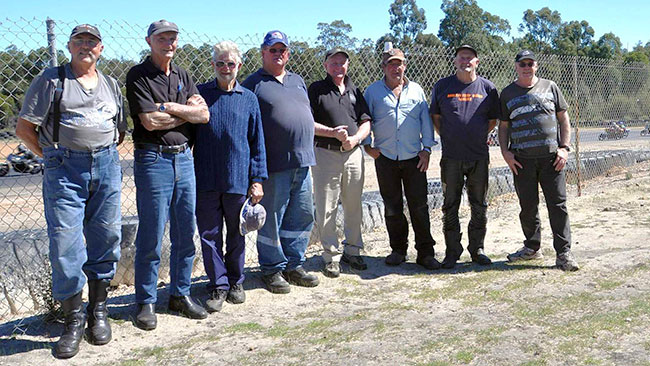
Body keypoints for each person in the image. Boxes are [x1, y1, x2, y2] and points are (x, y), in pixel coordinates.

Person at [16, 24, 126, 358]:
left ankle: (99, 311)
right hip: (65, 169)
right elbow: (24, 128)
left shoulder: (110, 84)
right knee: (66, 245)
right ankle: (73, 319)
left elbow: (119, 130)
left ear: (100, 48)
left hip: (106, 166)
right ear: (69, 46)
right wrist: (53, 156)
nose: (85, 47)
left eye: (91, 42)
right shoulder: (52, 80)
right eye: (79, 41)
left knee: (107, 237)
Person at [126, 19, 209, 330]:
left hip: (184, 159)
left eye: (173, 37)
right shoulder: (138, 75)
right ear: (150, 41)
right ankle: (146, 301)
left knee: (185, 232)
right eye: (162, 38)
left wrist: (170, 107)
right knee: (151, 235)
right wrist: (184, 113)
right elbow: (149, 122)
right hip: (153, 160)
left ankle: (180, 294)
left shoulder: (183, 75)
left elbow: (203, 114)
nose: (169, 43)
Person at [242, 30, 319, 293]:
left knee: (302, 214)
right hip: (274, 165)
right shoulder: (254, 83)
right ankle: (272, 269)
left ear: (288, 54)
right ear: (263, 53)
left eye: (282, 50)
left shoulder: (298, 81)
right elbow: (248, 127)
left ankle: (294, 264)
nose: (278, 54)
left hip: (303, 161)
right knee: (272, 218)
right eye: (272, 50)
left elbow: (304, 116)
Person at [194, 41, 267, 312]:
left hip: (238, 179)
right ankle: (218, 284)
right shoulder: (201, 95)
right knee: (209, 234)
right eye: (220, 63)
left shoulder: (248, 98)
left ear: (239, 66)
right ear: (213, 65)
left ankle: (236, 281)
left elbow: (257, 142)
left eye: (231, 64)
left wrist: (257, 179)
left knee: (237, 233)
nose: (226, 68)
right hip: (206, 178)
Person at [498, 50, 579, 272]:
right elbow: (503, 126)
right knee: (527, 206)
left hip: (552, 159)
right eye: (522, 63)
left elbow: (563, 118)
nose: (526, 67)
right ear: (516, 66)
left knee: (558, 205)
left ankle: (563, 253)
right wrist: (506, 153)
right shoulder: (507, 94)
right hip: (522, 160)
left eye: (530, 63)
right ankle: (532, 248)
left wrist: (564, 148)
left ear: (536, 65)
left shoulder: (550, 86)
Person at [363, 47, 440, 270]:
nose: (396, 68)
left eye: (400, 64)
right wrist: (368, 145)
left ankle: (425, 253)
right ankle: (398, 249)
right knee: (392, 206)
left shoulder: (416, 90)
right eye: (391, 64)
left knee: (419, 206)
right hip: (385, 157)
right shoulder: (373, 92)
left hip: (414, 157)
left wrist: (427, 149)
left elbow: (426, 121)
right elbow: (365, 118)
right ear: (384, 68)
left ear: (405, 66)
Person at [430, 45, 499, 269]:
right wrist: (451, 136)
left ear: (477, 62)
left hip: (478, 156)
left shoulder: (488, 88)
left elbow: (492, 122)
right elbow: (436, 118)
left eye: (470, 58)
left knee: (479, 205)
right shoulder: (442, 86)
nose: (465, 61)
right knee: (450, 205)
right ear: (455, 60)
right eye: (461, 57)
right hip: (451, 157)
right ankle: (452, 251)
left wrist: (475, 136)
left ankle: (477, 248)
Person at [308, 48, 371, 278]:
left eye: (342, 63)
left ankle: (353, 251)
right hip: (326, 153)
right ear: (326, 66)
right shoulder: (316, 90)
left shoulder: (355, 89)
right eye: (334, 63)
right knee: (327, 206)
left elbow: (366, 121)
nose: (338, 67)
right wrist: (332, 133)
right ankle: (331, 256)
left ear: (348, 65)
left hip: (353, 153)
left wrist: (355, 139)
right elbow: (308, 122)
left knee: (354, 203)